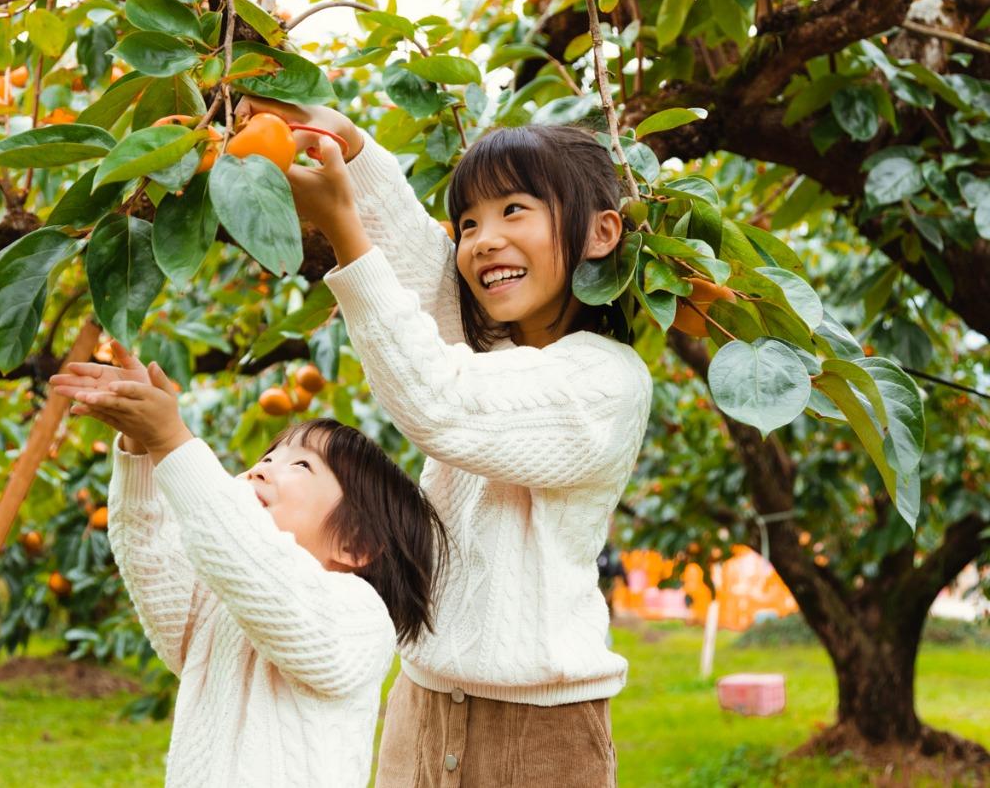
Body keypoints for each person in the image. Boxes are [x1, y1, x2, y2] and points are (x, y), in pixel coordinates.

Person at [237, 96, 653, 786]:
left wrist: (342, 224)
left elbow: (443, 402)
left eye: (514, 210)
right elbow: (417, 264)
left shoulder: (606, 383)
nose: (483, 238)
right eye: (468, 222)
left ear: (601, 233)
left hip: (539, 731)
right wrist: (353, 147)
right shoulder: (491, 344)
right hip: (420, 704)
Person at [50, 342, 447, 788]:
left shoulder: (358, 617)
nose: (261, 470)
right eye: (266, 459)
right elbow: (153, 561)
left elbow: (249, 558)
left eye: (301, 465)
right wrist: (142, 450)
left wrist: (172, 442)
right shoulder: (229, 605)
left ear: (356, 544)